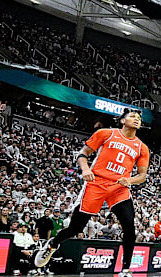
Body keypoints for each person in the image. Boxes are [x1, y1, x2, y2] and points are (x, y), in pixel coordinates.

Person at [34, 108, 150, 277]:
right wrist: (85, 169)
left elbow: (142, 175)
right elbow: (83, 154)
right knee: (75, 228)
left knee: (129, 224)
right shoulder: (106, 133)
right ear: (123, 121)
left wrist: (130, 180)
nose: (136, 119)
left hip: (119, 187)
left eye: (139, 118)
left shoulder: (142, 147)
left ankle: (125, 269)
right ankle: (53, 244)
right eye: (132, 116)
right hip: (96, 183)